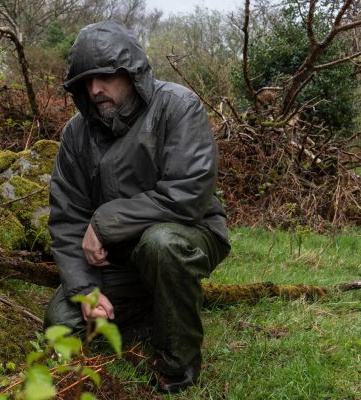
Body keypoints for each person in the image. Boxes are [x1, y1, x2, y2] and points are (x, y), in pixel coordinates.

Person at [44, 19, 230, 393]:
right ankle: (152, 305)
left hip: (188, 236)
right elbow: (66, 220)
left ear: (130, 72)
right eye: (86, 82)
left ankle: (177, 366)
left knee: (161, 244)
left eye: (105, 77)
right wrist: (86, 290)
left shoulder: (178, 106)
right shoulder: (75, 134)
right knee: (59, 325)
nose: (95, 89)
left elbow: (188, 193)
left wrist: (105, 222)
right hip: (117, 261)